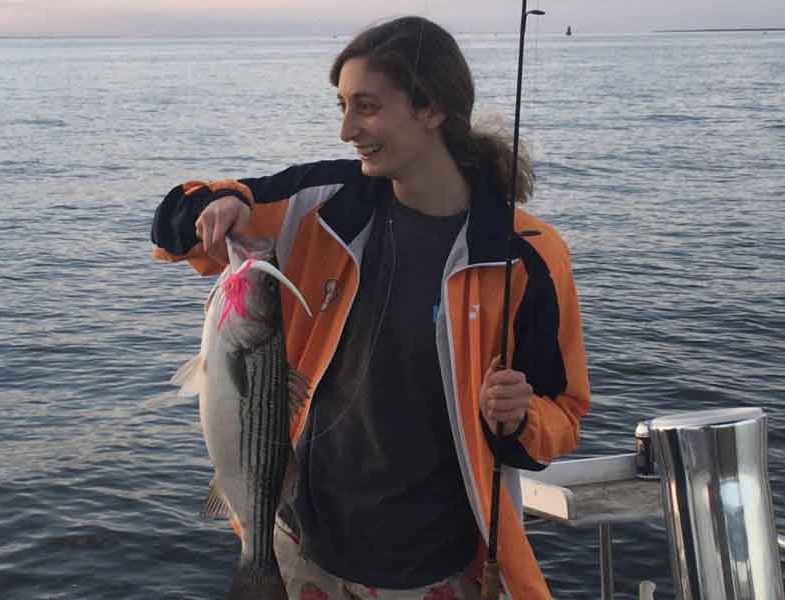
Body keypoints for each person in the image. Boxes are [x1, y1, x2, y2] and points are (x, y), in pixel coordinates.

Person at [151, 16, 590, 600]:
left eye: (366, 107)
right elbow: (173, 227)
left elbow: (563, 415)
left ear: (430, 109)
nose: (346, 130)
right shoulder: (323, 202)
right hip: (302, 549)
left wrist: (520, 419)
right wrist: (224, 200)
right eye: (341, 105)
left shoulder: (525, 255)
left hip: (439, 569)